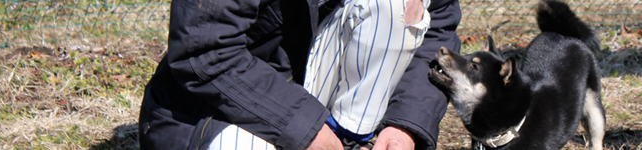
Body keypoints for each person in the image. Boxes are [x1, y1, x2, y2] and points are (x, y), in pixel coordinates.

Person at [136, 0, 462, 149]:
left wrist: (403, 126)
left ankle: (352, 137)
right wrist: (305, 129)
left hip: (316, 101)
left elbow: (438, 22)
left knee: (397, 3)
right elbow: (203, 51)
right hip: (213, 111)